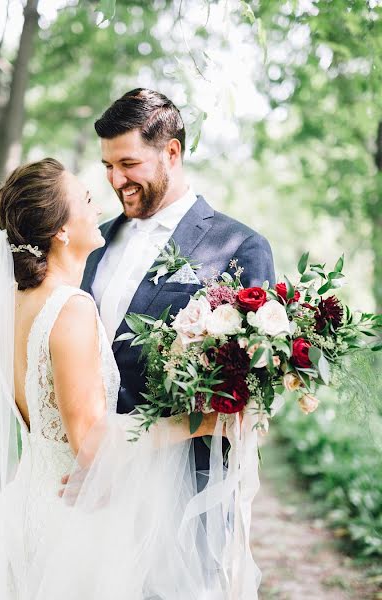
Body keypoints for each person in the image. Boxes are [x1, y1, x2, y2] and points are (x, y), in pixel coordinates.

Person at [0, 158, 259, 599]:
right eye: (85, 200)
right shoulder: (69, 308)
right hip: (74, 520)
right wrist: (210, 421)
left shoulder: (11, 305)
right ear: (59, 230)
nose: (97, 206)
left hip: (26, 502)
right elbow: (91, 441)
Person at [82, 88, 276, 480]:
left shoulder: (239, 246)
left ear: (172, 153)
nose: (116, 179)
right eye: (107, 165)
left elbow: (256, 385)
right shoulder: (92, 242)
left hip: (186, 481)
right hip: (90, 470)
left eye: (128, 163)